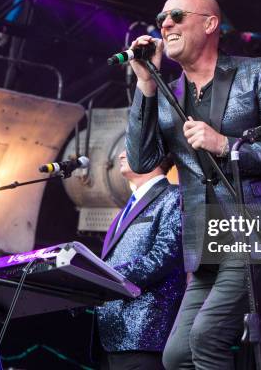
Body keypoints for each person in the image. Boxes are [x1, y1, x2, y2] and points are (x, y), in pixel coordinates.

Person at [126, 0, 261, 369]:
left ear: (210, 24)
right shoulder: (167, 94)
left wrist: (227, 145)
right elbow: (143, 159)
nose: (166, 24)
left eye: (177, 15)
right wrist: (146, 84)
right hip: (208, 245)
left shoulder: (255, 72)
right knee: (177, 356)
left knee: (207, 335)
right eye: (162, 17)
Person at [96, 150, 186, 370]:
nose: (119, 154)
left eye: (130, 146)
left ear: (154, 156)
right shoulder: (129, 206)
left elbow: (162, 257)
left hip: (144, 335)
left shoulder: (174, 196)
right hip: (111, 338)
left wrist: (101, 279)